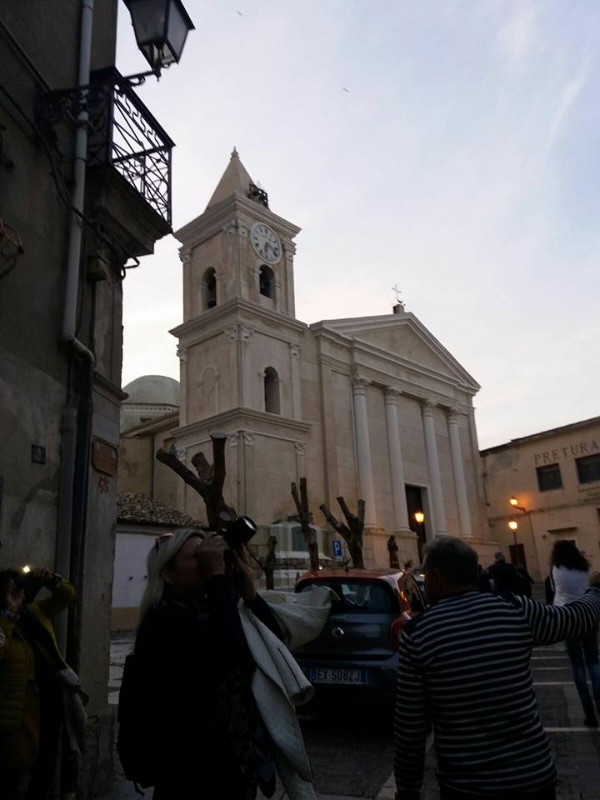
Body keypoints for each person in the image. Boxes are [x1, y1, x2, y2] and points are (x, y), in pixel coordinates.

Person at [394, 536, 600, 800]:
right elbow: (576, 618)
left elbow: (410, 730)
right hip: (533, 778)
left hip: (466, 786)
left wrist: (407, 791)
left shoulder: (418, 634)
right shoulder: (514, 609)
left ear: (436, 576)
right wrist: (595, 590)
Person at [128, 528, 309, 800]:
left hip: (234, 769)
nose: (208, 562)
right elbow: (230, 653)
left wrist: (250, 595)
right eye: (197, 556)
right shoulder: (162, 623)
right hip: (188, 774)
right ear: (168, 574)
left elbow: (270, 647)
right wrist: (217, 579)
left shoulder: (212, 608)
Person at [0, 566, 82, 800]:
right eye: (11, 591)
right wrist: (8, 615)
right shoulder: (4, 624)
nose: (18, 595)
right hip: (19, 722)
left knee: (45, 774)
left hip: (49, 710)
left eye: (19, 590)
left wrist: (51, 580)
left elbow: (67, 596)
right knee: (17, 783)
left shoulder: (35, 613)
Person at [550, 539, 600, 726]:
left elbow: (555, 591)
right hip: (588, 615)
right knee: (593, 662)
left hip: (569, 617)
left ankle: (589, 714)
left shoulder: (556, 569)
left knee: (577, 665)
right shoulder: (584, 568)